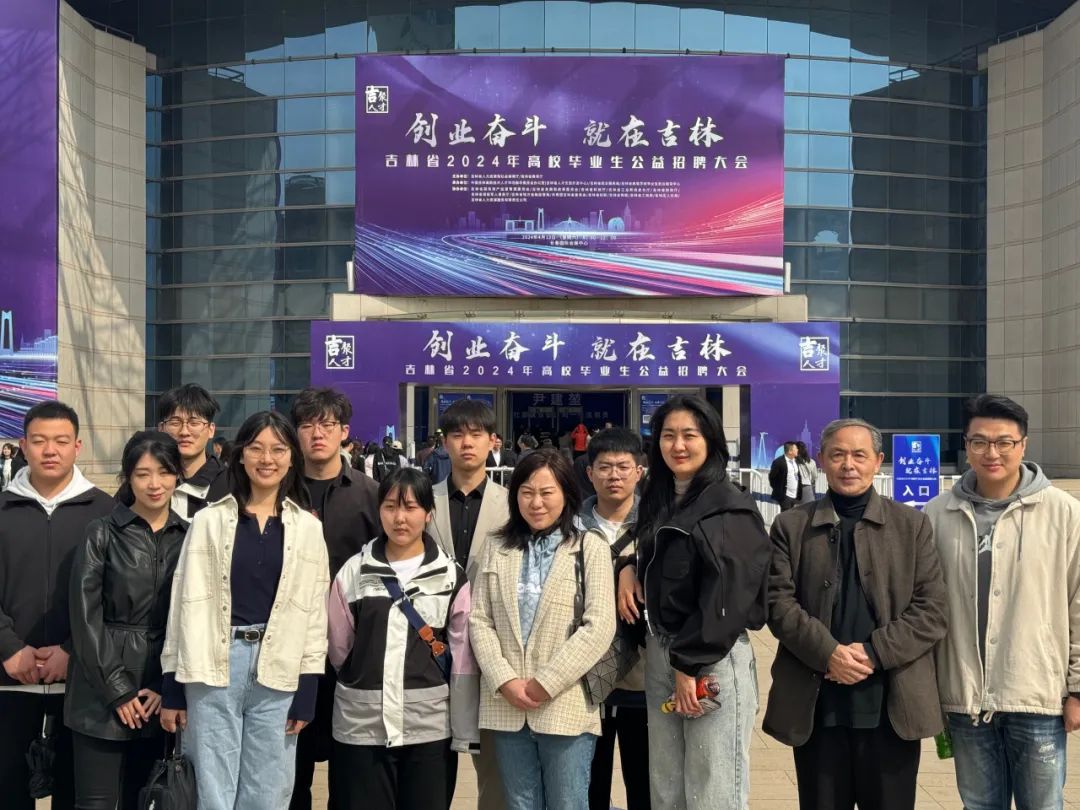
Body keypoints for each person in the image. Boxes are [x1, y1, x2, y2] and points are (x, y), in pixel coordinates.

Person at [764, 418, 948, 810]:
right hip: (817, 705)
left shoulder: (912, 526)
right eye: (838, 455)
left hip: (891, 706)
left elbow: (931, 609)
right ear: (821, 460)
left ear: (878, 461)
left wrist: (874, 652)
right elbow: (778, 604)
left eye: (859, 455)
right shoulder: (791, 526)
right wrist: (828, 652)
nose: (849, 464)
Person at [159, 411, 330, 810]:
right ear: (239, 455)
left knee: (268, 790)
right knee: (212, 791)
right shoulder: (209, 520)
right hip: (213, 666)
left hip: (279, 665)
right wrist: (172, 686)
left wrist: (308, 686)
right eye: (256, 448)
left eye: (278, 449)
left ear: (292, 457)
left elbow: (314, 614)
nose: (266, 459)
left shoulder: (308, 529)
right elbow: (182, 604)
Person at [926, 395, 1080, 810]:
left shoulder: (1065, 514)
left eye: (1004, 442)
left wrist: (1078, 689)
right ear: (966, 445)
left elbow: (1079, 604)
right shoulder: (937, 514)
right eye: (979, 442)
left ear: (1023, 445)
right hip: (966, 699)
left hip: (1037, 695)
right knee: (979, 805)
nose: (991, 453)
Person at [616, 394, 769, 810]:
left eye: (690, 435)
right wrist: (627, 566)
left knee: (712, 791)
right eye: (668, 435)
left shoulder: (728, 506)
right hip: (663, 654)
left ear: (711, 440)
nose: (678, 445)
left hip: (707, 658)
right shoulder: (662, 499)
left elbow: (729, 596)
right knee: (666, 788)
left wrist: (689, 663)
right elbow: (658, 558)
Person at [469, 449, 616, 810]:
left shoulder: (589, 546)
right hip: (507, 706)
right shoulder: (496, 546)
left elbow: (599, 625)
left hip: (565, 703)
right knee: (520, 804)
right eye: (526, 492)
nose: (536, 503)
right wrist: (505, 680)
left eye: (547, 492)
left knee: (568, 803)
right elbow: (479, 619)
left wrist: (545, 683)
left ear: (566, 493)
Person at [328, 467, 479, 810]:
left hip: (429, 728)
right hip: (362, 727)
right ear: (379, 511)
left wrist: (463, 727)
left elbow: (462, 658)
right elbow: (339, 649)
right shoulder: (354, 572)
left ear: (428, 514)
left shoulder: (449, 576)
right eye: (390, 507)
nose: (400, 518)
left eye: (410, 507)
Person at [0, 401, 114, 810]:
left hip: (81, 686)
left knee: (76, 796)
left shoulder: (107, 512)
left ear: (77, 446)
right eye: (39, 441)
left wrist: (73, 649)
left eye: (61, 441)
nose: (50, 450)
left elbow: (116, 594)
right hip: (8, 680)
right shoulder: (3, 507)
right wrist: (8, 647)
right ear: (23, 446)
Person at [66, 431, 189, 809]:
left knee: (151, 799)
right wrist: (118, 690)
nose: (155, 484)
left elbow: (192, 619)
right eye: (142, 474)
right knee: (96, 803)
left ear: (177, 475)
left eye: (164, 472)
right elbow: (85, 618)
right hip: (98, 695)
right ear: (128, 477)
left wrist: (164, 686)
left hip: (158, 697)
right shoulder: (101, 533)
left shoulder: (190, 537)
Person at [288, 388, 380, 810]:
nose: (317, 434)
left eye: (327, 425)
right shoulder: (279, 492)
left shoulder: (371, 494)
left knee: (352, 773)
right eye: (307, 425)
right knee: (292, 770)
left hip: (353, 655)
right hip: (290, 652)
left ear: (344, 432)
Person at [427, 398, 510, 809]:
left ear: (492, 441)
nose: (467, 443)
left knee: (493, 771)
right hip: (430, 648)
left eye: (476, 434)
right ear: (444, 442)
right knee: (430, 766)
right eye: (457, 434)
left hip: (490, 649)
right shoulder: (423, 502)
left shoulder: (511, 505)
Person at [576, 429, 649, 810]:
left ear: (640, 471)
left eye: (623, 466)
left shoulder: (659, 525)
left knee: (646, 785)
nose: (614, 476)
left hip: (646, 678)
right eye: (604, 467)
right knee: (589, 787)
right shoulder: (570, 527)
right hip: (583, 680)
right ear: (590, 473)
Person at [157, 384, 230, 520]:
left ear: (211, 430)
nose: (184, 432)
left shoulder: (230, 484)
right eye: (175, 423)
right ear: (161, 429)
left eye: (194, 423)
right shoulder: (149, 482)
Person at [769, 441, 801, 511]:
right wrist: (780, 492)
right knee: (786, 515)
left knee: (792, 515)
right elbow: (772, 478)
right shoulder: (778, 462)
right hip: (785, 496)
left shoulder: (796, 461)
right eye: (796, 448)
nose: (797, 450)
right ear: (790, 451)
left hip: (795, 495)